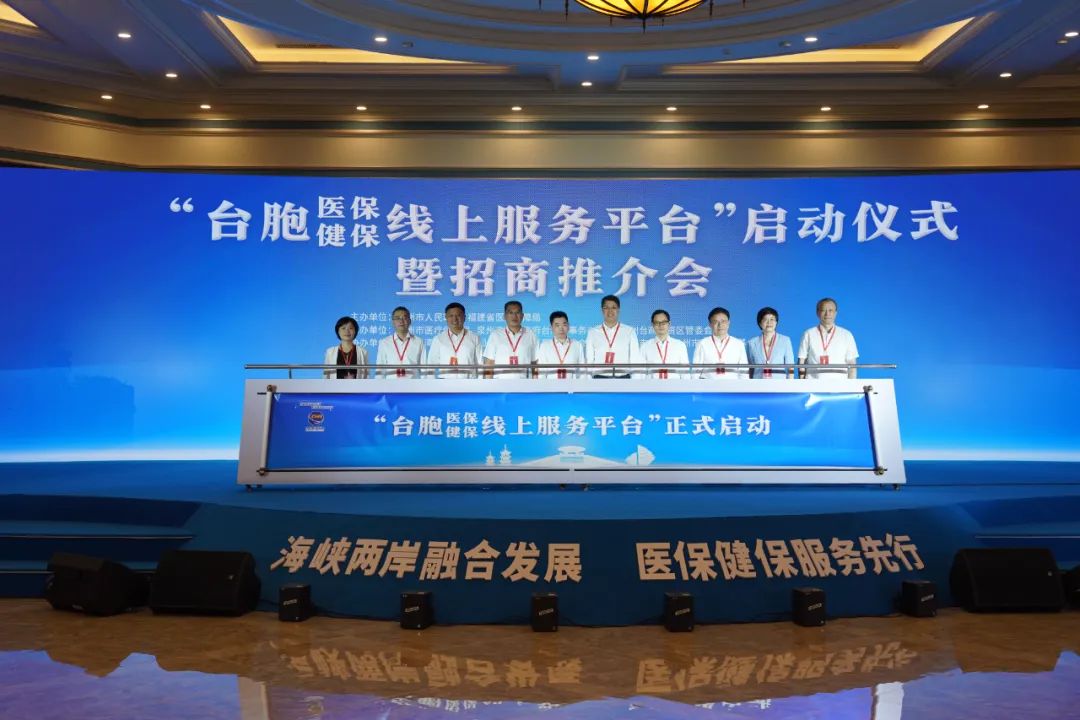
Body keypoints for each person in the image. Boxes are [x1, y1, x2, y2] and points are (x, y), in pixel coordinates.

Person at [798, 297, 859, 379]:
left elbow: (852, 365)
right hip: (813, 384)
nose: (827, 314)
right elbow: (801, 361)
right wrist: (802, 383)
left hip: (839, 384)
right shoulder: (808, 334)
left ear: (835, 313)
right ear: (817, 312)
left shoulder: (846, 335)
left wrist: (850, 385)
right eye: (823, 310)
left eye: (830, 310)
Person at [584, 294, 641, 378]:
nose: (610, 311)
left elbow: (635, 360)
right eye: (606, 308)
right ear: (602, 310)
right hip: (599, 378)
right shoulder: (592, 332)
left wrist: (635, 382)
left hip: (623, 378)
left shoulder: (629, 331)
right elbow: (589, 360)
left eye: (614, 308)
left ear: (618, 310)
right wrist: (589, 381)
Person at [483, 300, 539, 379]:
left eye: (517, 312)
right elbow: (489, 363)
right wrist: (488, 384)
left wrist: (535, 384)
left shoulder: (531, 335)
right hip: (500, 383)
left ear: (522, 316)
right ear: (504, 316)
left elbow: (535, 364)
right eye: (510, 313)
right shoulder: (495, 335)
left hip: (525, 383)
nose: (514, 316)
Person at [427, 301, 482, 378]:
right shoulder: (438, 339)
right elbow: (431, 365)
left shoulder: (474, 337)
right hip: (445, 382)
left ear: (464, 317)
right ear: (446, 317)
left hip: (469, 382)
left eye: (458, 315)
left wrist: (480, 383)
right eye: (451, 316)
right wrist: (430, 383)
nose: (455, 319)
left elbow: (480, 363)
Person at [692, 306, 748, 379]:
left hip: (732, 385)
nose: (720, 325)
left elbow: (744, 371)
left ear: (729, 323)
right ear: (710, 324)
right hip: (707, 385)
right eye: (716, 322)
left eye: (723, 321)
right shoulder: (702, 343)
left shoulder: (738, 344)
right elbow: (696, 371)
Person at [375, 306, 426, 378]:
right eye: (397, 318)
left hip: (413, 384)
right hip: (391, 384)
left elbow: (424, 370)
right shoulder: (384, 342)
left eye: (404, 318)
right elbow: (380, 370)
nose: (401, 321)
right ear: (393, 322)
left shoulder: (419, 342)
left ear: (410, 321)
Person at [638, 309, 689, 379]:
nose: (660, 325)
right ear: (652, 325)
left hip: (674, 385)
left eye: (664, 322)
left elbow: (685, 373)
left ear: (669, 324)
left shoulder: (680, 345)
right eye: (657, 322)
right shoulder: (645, 346)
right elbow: (641, 373)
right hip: (652, 385)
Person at [746, 306, 794, 379]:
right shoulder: (751, 343)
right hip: (758, 382)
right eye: (765, 319)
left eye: (772, 319)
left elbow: (790, 366)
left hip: (779, 382)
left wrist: (790, 382)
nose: (769, 323)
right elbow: (750, 368)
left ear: (776, 322)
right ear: (760, 323)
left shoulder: (785, 340)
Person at [536, 311, 585, 379]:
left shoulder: (577, 345)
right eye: (557, 325)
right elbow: (541, 372)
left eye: (564, 325)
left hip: (572, 384)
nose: (561, 328)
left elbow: (582, 371)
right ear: (551, 328)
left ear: (568, 326)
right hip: (550, 385)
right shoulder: (545, 346)